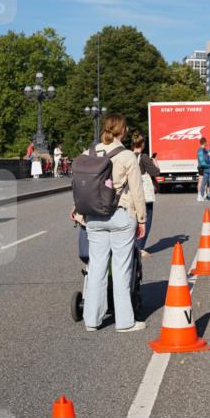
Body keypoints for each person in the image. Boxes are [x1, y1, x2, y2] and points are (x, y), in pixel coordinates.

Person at [77, 113, 147, 333]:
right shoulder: (126, 156)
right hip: (120, 215)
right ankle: (125, 321)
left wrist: (78, 212)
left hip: (94, 217)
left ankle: (92, 320)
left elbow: (81, 185)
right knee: (121, 268)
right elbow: (137, 191)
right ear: (123, 130)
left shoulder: (88, 153)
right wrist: (142, 219)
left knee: (96, 267)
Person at [132, 133, 161, 257]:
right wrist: (154, 161)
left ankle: (131, 245)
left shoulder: (128, 155)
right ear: (143, 144)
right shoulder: (143, 157)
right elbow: (156, 172)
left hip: (132, 192)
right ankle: (140, 247)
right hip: (144, 194)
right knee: (146, 219)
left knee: (133, 219)